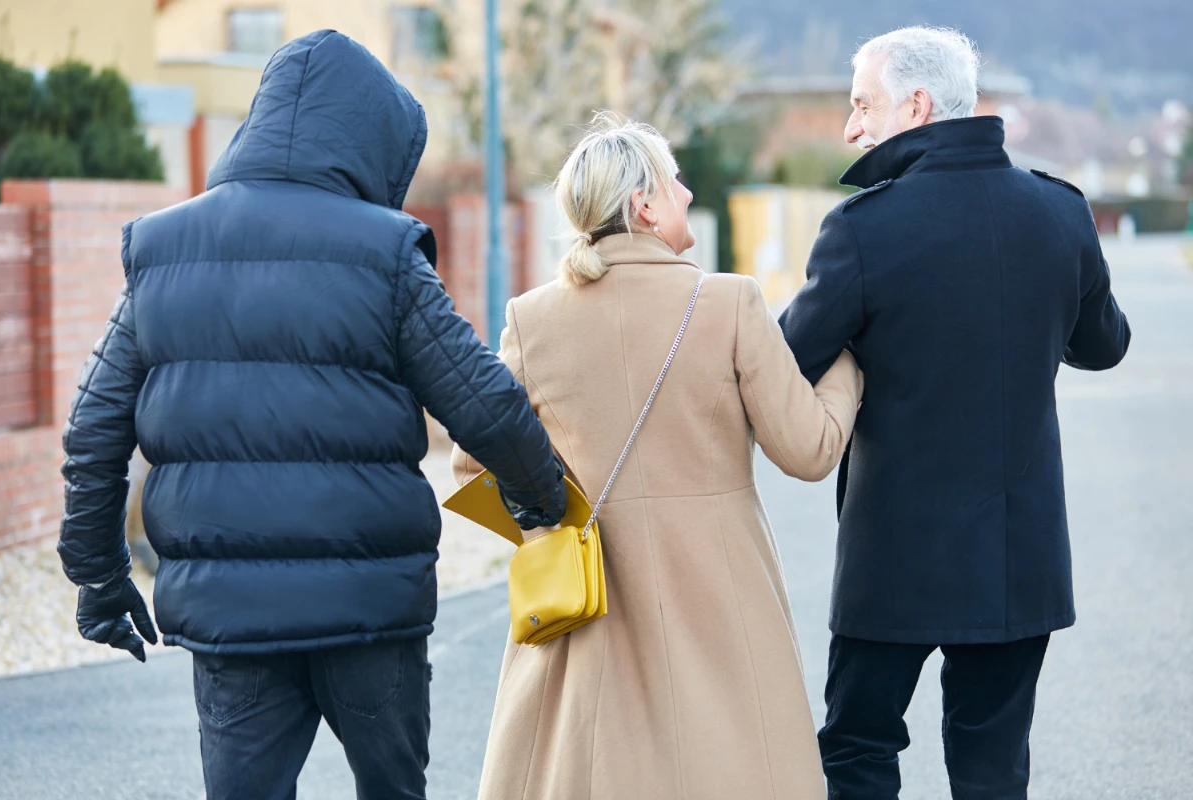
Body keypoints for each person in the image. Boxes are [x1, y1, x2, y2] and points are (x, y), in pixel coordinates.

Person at [57, 30, 567, 800]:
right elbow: (484, 402)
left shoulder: (163, 251)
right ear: (372, 140)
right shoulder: (387, 254)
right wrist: (546, 501)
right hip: (372, 613)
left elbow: (93, 429)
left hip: (233, 621)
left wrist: (98, 579)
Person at [451, 115, 863, 800]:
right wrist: (848, 361)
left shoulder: (533, 317)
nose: (687, 192)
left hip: (589, 600)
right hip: (722, 594)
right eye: (674, 181)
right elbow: (812, 449)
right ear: (643, 203)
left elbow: (472, 464)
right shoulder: (728, 303)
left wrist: (552, 529)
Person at [779, 26, 1131, 800]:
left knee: (859, 751)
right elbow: (1104, 346)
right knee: (993, 768)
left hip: (891, 563)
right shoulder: (1061, 212)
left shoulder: (862, 229)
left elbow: (784, 364)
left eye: (861, 105)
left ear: (916, 104)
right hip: (1018, 559)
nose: (850, 128)